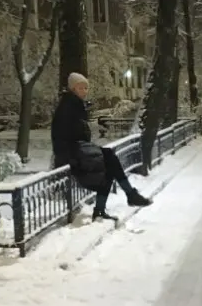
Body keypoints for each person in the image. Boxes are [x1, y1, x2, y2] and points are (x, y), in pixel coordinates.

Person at [51, 73, 152, 221]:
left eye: (86, 88)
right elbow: (66, 135)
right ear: (73, 88)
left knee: (109, 162)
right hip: (71, 155)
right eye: (81, 88)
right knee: (109, 160)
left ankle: (110, 205)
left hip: (78, 151)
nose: (84, 91)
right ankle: (128, 196)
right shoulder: (68, 106)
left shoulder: (74, 105)